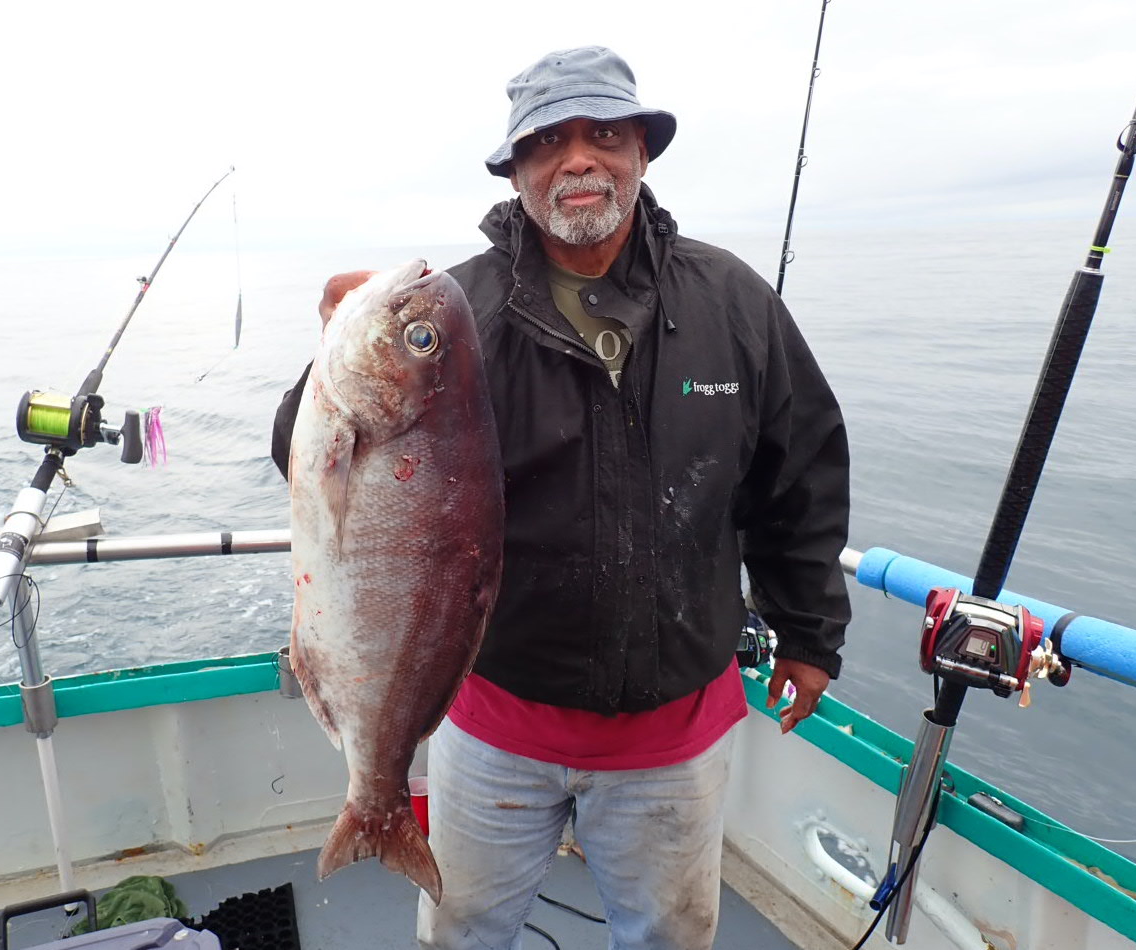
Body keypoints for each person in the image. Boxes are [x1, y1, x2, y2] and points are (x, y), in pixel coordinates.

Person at [271, 45, 850, 950]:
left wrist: (810, 634)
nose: (578, 159)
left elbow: (799, 472)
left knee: (667, 939)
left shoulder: (733, 302)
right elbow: (304, 457)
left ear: (642, 152)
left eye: (604, 135)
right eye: (548, 142)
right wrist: (335, 349)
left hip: (675, 733)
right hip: (494, 719)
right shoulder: (452, 313)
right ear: (516, 170)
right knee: (461, 932)